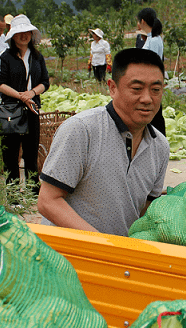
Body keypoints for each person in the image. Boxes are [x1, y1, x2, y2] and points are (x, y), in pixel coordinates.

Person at [38, 48, 170, 237]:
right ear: (112, 88)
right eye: (137, 89)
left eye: (156, 90)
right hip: (66, 255)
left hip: (119, 257)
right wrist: (102, 244)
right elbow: (48, 201)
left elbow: (145, 210)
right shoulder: (82, 130)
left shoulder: (160, 147)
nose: (148, 99)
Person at [0, 14, 51, 187]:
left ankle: (33, 190)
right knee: (11, 154)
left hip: (32, 109)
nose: (24, 36)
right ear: (13, 36)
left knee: (31, 152)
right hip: (12, 110)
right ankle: (13, 194)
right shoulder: (4, 57)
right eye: (20, 33)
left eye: (27, 32)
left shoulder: (37, 57)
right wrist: (21, 96)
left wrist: (32, 93)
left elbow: (45, 82)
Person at [136, 7, 166, 135]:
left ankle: (159, 141)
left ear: (142, 21)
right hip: (149, 81)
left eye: (138, 21)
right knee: (154, 113)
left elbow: (151, 62)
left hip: (150, 81)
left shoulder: (153, 40)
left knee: (155, 114)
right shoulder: (152, 38)